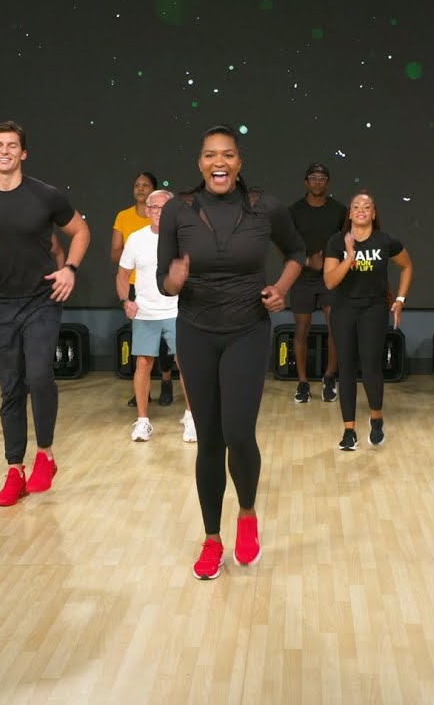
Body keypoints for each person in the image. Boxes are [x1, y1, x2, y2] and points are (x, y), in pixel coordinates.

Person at [156, 124, 304, 580]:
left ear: (239, 162)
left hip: (246, 329)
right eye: (209, 155)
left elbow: (297, 252)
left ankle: (246, 513)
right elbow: (163, 278)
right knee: (209, 440)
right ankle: (211, 539)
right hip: (196, 330)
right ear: (199, 163)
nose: (218, 162)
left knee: (238, 433)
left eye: (227, 155)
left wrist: (280, 288)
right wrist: (173, 282)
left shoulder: (265, 207)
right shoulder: (177, 210)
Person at [0, 120, 90, 507]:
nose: (5, 151)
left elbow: (80, 232)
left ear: (23, 153)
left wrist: (70, 269)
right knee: (11, 387)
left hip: (41, 300)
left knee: (39, 374)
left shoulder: (46, 196)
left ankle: (44, 454)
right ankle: (15, 468)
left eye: (12, 145)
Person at [322, 192, 413, 450]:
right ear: (349, 214)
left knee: (371, 366)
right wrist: (349, 256)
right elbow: (330, 281)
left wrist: (401, 299)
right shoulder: (336, 242)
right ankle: (349, 430)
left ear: (373, 214)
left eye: (367, 206)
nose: (361, 209)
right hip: (343, 309)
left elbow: (407, 266)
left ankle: (376, 418)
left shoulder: (385, 241)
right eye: (356, 206)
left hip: (373, 309)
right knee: (346, 368)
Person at [116, 188, 196, 443]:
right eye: (154, 208)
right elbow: (121, 275)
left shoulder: (183, 239)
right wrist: (125, 301)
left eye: (164, 208)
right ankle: (142, 421)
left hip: (177, 311)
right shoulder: (136, 239)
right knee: (142, 364)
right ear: (147, 210)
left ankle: (191, 417)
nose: (158, 212)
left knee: (185, 363)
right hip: (145, 312)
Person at [112, 171, 175, 405]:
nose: (140, 188)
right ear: (149, 210)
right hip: (141, 297)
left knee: (179, 357)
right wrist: (125, 299)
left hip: (173, 305)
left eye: (145, 184)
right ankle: (142, 408)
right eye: (136, 184)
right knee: (144, 357)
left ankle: (171, 388)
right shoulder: (133, 233)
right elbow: (119, 265)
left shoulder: (180, 234)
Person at [288, 163, 344, 403]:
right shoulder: (294, 211)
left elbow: (347, 242)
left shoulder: (339, 210)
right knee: (302, 329)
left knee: (335, 327)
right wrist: (309, 261)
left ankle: (329, 377)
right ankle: (302, 383)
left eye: (322, 178)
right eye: (313, 178)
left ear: (327, 182)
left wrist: (332, 264)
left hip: (330, 278)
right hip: (303, 277)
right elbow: (287, 246)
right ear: (306, 182)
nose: (317, 182)